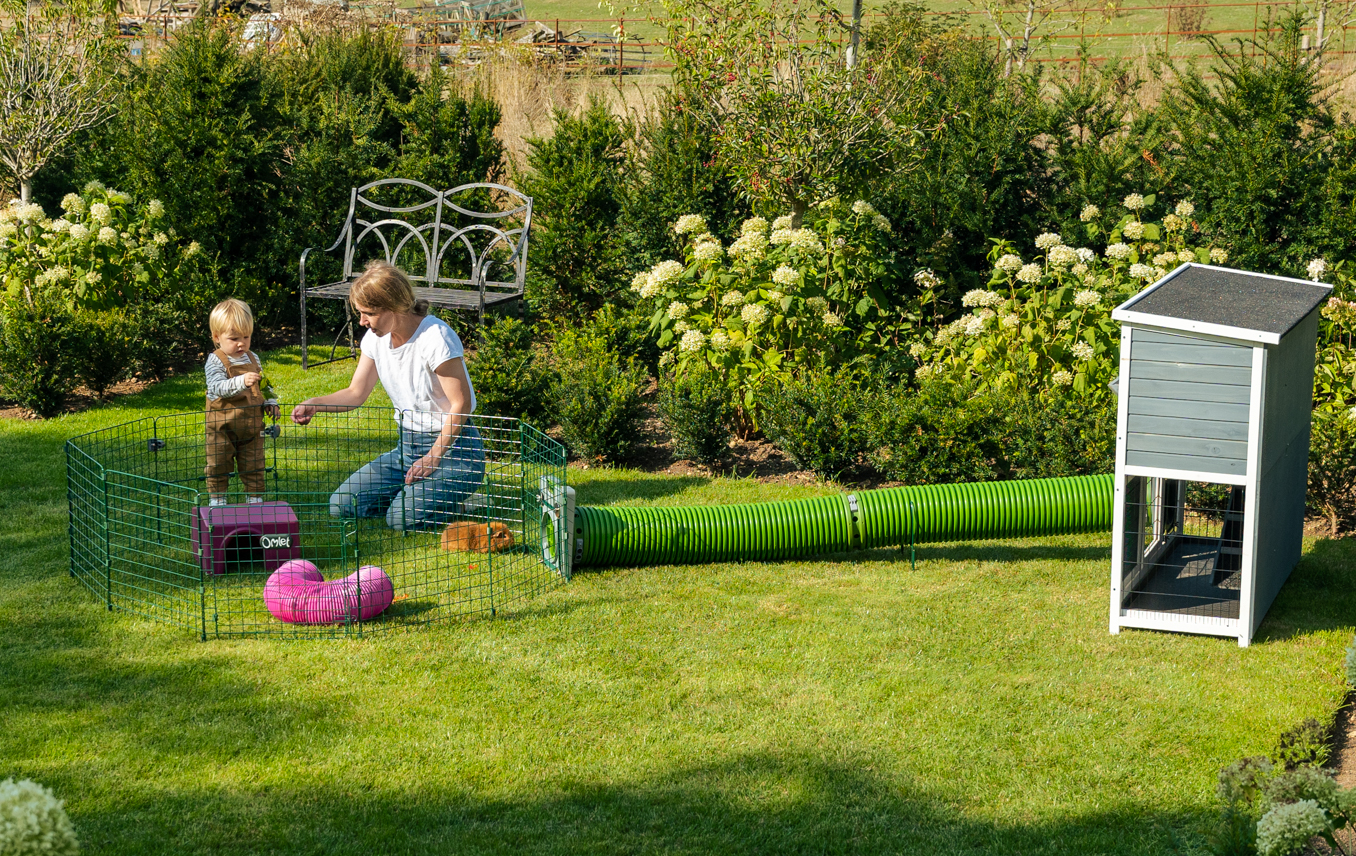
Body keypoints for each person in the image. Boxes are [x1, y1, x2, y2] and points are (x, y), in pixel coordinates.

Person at [291, 260, 485, 531]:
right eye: (360, 313)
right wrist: (315, 404)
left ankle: (452, 497)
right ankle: (418, 495)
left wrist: (433, 456)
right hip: (406, 450)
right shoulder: (375, 339)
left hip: (454, 452)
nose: (362, 321)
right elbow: (356, 393)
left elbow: (461, 403)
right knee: (342, 504)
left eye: (368, 313)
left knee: (401, 520)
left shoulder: (435, 338)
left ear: (395, 306)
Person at [204, 298, 280, 506]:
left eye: (246, 337)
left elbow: (264, 385)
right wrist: (241, 381)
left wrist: (270, 402)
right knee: (218, 463)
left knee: (254, 463)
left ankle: (254, 499)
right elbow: (215, 387)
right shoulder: (216, 360)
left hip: (251, 426)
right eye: (234, 338)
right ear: (217, 337)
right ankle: (217, 500)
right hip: (222, 426)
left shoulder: (252, 358)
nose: (241, 343)